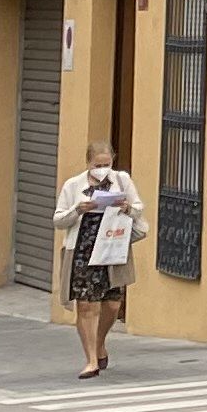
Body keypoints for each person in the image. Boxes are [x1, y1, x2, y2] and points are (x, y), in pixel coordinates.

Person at [53, 143, 145, 378]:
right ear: (88, 163)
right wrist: (78, 209)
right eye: (98, 165)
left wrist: (126, 207)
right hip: (83, 248)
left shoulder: (122, 180)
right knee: (86, 305)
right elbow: (58, 219)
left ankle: (100, 342)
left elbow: (138, 209)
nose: (103, 169)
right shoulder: (74, 185)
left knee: (112, 304)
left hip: (112, 246)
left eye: (107, 165)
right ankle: (91, 360)